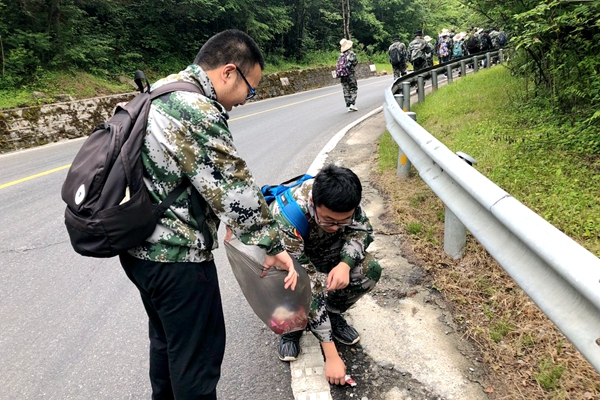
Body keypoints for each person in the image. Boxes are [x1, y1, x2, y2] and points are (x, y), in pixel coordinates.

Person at [118, 29, 298, 400]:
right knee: (197, 364)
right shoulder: (196, 110)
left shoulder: (161, 90)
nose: (246, 99)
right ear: (229, 72)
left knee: (167, 345)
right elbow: (235, 190)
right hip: (178, 260)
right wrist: (273, 246)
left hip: (138, 251)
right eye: (250, 89)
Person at [272, 164, 382, 386]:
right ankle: (293, 327)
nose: (335, 226)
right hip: (290, 258)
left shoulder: (347, 201)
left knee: (369, 268)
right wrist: (331, 356)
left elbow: (362, 232)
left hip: (324, 250)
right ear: (313, 202)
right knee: (290, 283)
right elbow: (308, 283)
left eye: (343, 221)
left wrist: (345, 264)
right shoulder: (289, 216)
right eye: (328, 220)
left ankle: (332, 314)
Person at [338, 38, 359, 112]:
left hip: (342, 75)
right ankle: (352, 104)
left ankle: (348, 105)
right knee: (353, 88)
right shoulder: (351, 53)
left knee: (346, 89)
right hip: (350, 74)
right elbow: (355, 62)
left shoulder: (341, 55)